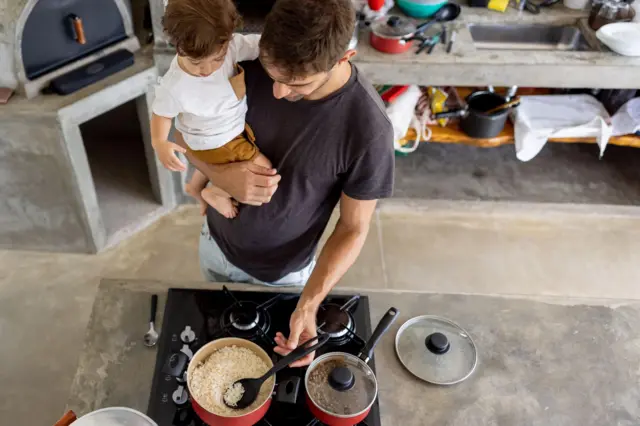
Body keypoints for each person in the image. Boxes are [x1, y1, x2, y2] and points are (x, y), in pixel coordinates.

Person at [176, 0, 395, 366]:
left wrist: (309, 305)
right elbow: (183, 136)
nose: (277, 92)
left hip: (288, 275)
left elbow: (353, 228)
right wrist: (220, 176)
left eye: (296, 84)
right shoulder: (241, 64)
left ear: (344, 58)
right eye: (272, 75)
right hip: (215, 246)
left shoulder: (368, 130)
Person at [151, 0, 271, 219]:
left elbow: (258, 45)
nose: (207, 69)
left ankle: (195, 186)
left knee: (214, 159)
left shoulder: (231, 46)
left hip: (207, 139)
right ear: (178, 46)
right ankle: (216, 192)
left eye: (217, 59)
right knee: (265, 170)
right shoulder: (174, 84)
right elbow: (161, 114)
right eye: (196, 63)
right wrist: (159, 142)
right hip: (216, 140)